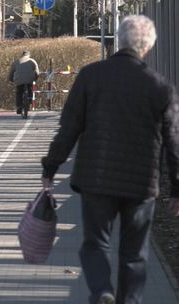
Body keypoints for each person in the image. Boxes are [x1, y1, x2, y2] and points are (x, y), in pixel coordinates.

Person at [40, 15, 179, 304]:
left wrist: (51, 167)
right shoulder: (160, 86)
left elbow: (70, 127)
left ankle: (102, 289)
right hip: (142, 183)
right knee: (135, 252)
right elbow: (173, 142)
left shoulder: (91, 76)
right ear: (149, 46)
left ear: (119, 39)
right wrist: (176, 188)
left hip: (97, 179)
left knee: (95, 244)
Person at [8, 50, 39, 115]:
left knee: (19, 92)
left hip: (19, 80)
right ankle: (29, 102)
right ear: (29, 55)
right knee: (30, 90)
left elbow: (11, 73)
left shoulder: (16, 62)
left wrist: (11, 79)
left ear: (22, 55)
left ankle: (19, 106)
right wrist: (35, 79)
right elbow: (37, 72)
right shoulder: (32, 61)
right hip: (29, 79)